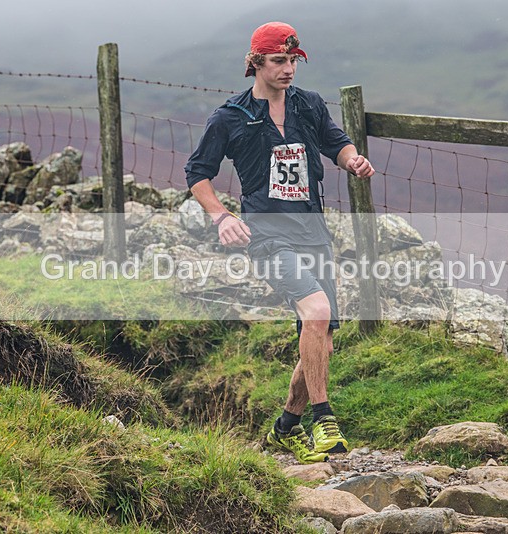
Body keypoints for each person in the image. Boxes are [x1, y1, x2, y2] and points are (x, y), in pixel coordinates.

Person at [184, 21, 375, 464]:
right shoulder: (229, 117)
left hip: (313, 230)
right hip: (267, 234)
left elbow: (337, 143)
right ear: (256, 63)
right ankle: (324, 421)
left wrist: (353, 161)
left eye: (293, 61)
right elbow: (198, 173)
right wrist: (220, 216)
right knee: (317, 312)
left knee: (321, 340)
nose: (288, 69)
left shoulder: (308, 104)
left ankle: (285, 428)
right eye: (278, 61)